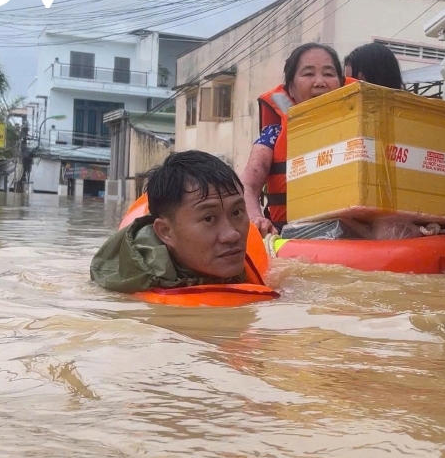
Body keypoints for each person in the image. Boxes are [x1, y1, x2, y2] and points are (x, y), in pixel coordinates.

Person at [91, 150, 266, 293]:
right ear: (166, 231)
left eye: (236, 212)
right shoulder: (128, 289)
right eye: (209, 218)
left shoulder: (241, 252)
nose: (232, 235)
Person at [243, 43, 346, 235]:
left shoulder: (358, 128)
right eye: (308, 74)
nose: (320, 82)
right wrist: (257, 219)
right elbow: (247, 186)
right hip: (289, 238)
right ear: (291, 88)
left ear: (341, 82)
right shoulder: (273, 135)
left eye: (329, 74)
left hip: (351, 236)